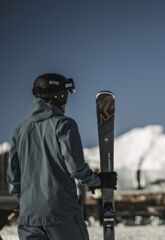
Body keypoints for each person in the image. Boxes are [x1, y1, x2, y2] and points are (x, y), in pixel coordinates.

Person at [7, 73, 117, 240]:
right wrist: (99, 181)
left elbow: (14, 178)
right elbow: (76, 168)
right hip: (60, 215)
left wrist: (26, 204)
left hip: (28, 218)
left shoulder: (20, 130)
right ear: (60, 95)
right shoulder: (64, 125)